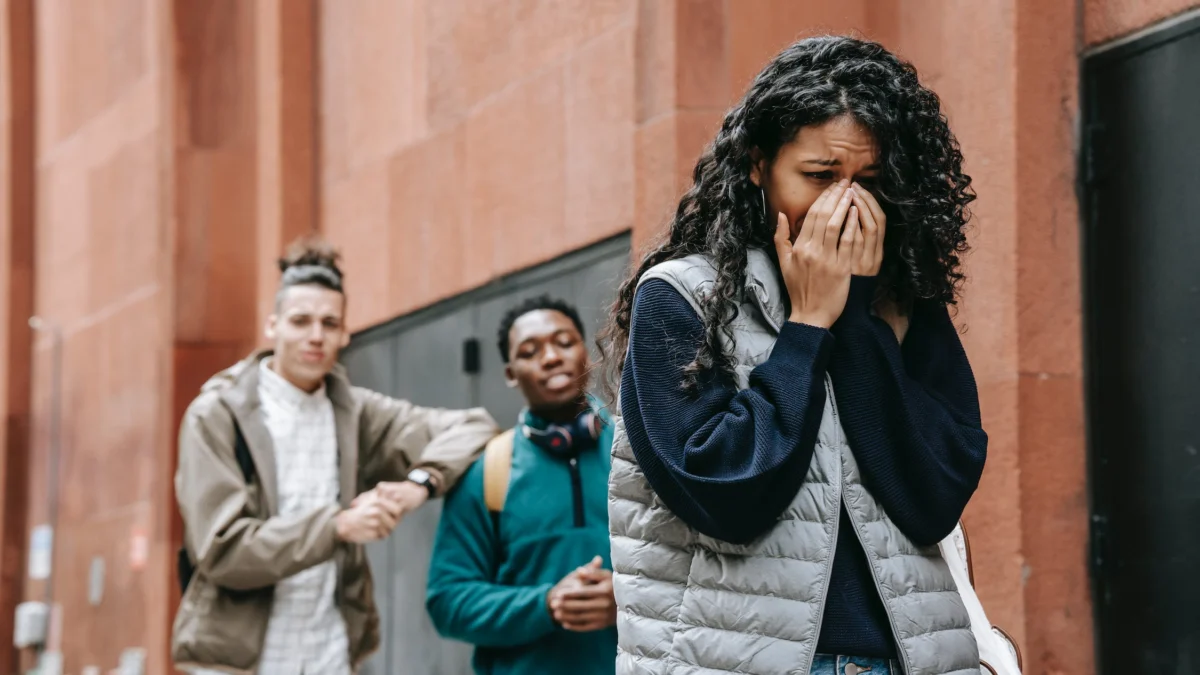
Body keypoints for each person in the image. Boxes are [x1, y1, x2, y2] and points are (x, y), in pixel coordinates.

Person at [599, 36, 989, 675]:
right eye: (820, 176)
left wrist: (856, 321)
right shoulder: (681, 296)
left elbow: (933, 497)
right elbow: (723, 494)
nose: (846, 204)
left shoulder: (901, 302)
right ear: (757, 164)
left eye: (869, 181)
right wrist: (808, 326)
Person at [171, 238, 498, 674]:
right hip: (238, 659)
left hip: (331, 653)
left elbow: (474, 427)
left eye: (329, 323)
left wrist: (417, 487)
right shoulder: (217, 415)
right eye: (300, 321)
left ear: (345, 332)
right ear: (272, 327)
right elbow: (223, 551)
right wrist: (339, 526)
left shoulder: (353, 412)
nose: (315, 336)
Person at [426, 296, 618, 675]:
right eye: (530, 351)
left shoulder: (637, 450)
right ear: (511, 374)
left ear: (587, 351)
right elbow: (447, 601)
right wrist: (545, 604)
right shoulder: (487, 473)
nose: (550, 357)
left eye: (564, 342)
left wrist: (629, 596)